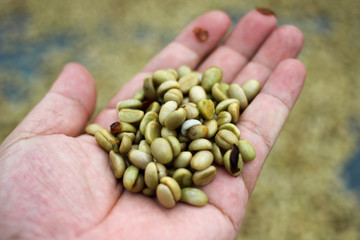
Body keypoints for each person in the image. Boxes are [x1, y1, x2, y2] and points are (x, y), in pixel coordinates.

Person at [0, 9, 306, 240]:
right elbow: (158, 143)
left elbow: (183, 143)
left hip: (179, 147)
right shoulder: (150, 139)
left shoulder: (194, 135)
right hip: (165, 153)